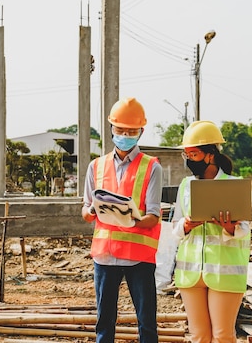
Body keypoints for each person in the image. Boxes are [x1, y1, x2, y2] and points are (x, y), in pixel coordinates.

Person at [81, 97, 163, 343]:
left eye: (131, 131)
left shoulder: (152, 167)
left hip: (139, 257)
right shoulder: (96, 166)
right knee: (104, 322)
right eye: (120, 130)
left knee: (146, 323)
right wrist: (93, 211)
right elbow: (85, 211)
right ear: (111, 129)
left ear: (141, 132)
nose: (125, 135)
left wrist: (129, 219)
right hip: (105, 256)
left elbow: (154, 216)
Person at [170, 120, 251, 343]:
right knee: (199, 336)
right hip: (190, 275)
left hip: (224, 274)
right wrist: (185, 226)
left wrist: (229, 228)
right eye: (186, 155)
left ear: (210, 155)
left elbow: (245, 230)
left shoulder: (234, 185)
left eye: (193, 154)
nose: (189, 160)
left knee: (223, 336)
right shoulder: (186, 186)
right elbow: (174, 229)